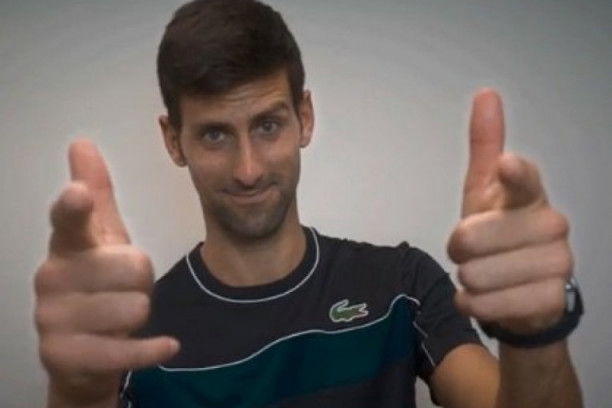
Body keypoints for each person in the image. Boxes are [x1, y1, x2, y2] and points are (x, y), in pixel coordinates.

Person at [33, 0, 584, 407]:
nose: (248, 169)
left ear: (305, 118)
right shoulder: (129, 334)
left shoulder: (401, 286)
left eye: (267, 125)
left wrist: (535, 334)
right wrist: (76, 396)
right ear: (174, 141)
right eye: (215, 135)